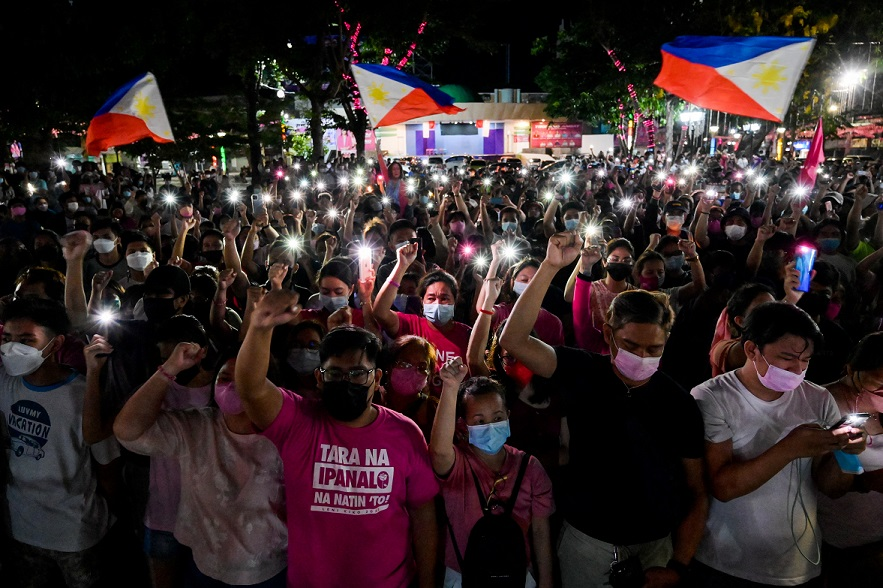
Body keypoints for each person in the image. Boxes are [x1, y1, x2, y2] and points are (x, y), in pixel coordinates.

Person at [499, 230, 708, 588]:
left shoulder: (679, 403)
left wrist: (679, 565)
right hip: (586, 544)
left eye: (653, 349)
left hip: (654, 549)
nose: (642, 356)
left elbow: (697, 492)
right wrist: (550, 267)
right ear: (609, 334)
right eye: (631, 345)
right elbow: (513, 340)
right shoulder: (583, 371)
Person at [234, 299, 439, 588]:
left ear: (377, 377)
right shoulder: (298, 422)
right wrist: (259, 327)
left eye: (358, 373)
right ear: (320, 378)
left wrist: (428, 582)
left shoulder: (405, 433)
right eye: (336, 374)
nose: (347, 381)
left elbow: (423, 513)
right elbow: (251, 388)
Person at [690, 301, 866, 586]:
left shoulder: (819, 399)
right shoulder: (712, 397)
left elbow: (833, 489)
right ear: (751, 350)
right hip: (727, 561)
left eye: (806, 360)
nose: (797, 369)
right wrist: (789, 448)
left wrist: (848, 454)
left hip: (800, 560)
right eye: (787, 358)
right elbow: (723, 487)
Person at [114, 348, 288, 588]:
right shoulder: (196, 427)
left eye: (245, 378)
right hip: (204, 570)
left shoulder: (287, 435)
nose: (233, 386)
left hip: (268, 574)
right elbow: (127, 431)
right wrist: (168, 370)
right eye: (225, 378)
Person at [0, 298, 119, 588]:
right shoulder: (6, 384)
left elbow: (107, 468)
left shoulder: (84, 395)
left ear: (55, 344)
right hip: (21, 527)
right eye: (6, 339)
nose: (12, 348)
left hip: (75, 533)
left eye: (26, 340)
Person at [429, 361, 555, 588]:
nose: (490, 426)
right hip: (462, 576)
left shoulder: (529, 466)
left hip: (516, 574)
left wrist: (545, 581)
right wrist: (450, 386)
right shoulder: (457, 464)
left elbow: (540, 530)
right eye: (479, 421)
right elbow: (438, 452)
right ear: (462, 426)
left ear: (508, 416)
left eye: (497, 418)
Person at [817, 331, 883, 586]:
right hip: (845, 541)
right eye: (878, 384)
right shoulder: (826, 402)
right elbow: (829, 487)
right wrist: (862, 476)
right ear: (851, 369)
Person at [374, 242, 473, 364]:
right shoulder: (411, 326)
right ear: (422, 301)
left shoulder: (468, 335)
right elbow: (380, 312)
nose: (437, 303)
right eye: (431, 298)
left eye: (444, 298)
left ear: (455, 301)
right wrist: (402, 266)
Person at [708, 282, 776, 377]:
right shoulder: (722, 348)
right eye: (761, 310)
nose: (771, 315)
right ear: (740, 321)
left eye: (774, 308)